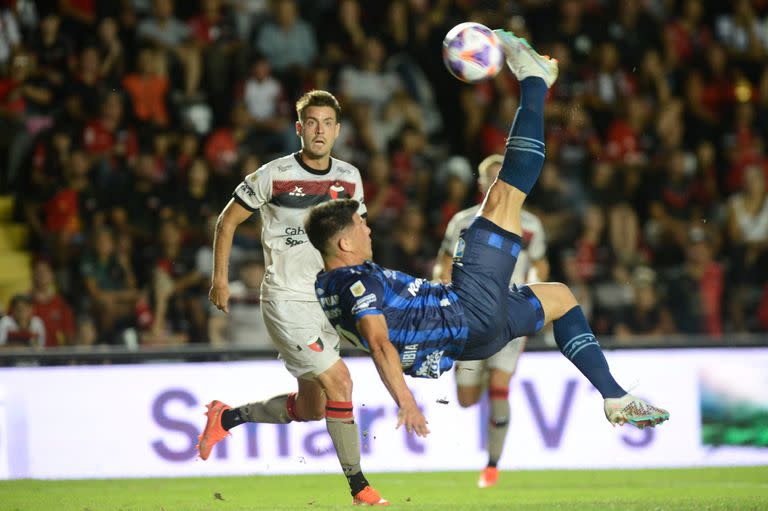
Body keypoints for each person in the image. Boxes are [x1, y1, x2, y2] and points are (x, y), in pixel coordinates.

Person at [306, 32, 669, 441]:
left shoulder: (328, 283)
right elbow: (378, 344)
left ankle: (615, 397)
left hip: (474, 339)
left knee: (562, 300)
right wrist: (405, 401)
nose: (368, 228)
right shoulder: (354, 284)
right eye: (360, 226)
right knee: (504, 196)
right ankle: (533, 79)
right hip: (464, 312)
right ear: (342, 244)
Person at [201, 90, 386, 506]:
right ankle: (360, 487)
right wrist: (220, 280)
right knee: (341, 382)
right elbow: (226, 221)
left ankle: (226, 417)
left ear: (337, 131)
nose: (320, 131)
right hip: (286, 299)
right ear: (299, 128)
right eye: (312, 123)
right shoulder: (273, 174)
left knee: (312, 408)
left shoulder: (350, 178)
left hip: (327, 302)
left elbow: (355, 241)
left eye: (327, 124)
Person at [432, 153, 549, 489]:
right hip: (468, 313)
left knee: (500, 386)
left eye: (504, 178)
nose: (499, 185)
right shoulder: (462, 222)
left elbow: (540, 264)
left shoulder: (531, 225)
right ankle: (482, 377)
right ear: (482, 185)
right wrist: (441, 285)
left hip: (511, 311)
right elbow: (443, 261)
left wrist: (535, 289)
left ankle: (493, 466)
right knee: (468, 399)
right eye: (492, 179)